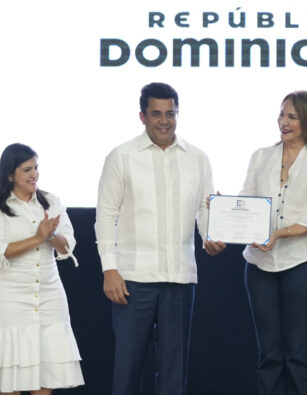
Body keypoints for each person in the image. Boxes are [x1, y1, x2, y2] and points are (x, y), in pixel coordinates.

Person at [95, 82, 225, 395]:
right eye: (156, 114)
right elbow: (105, 217)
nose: (164, 120)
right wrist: (109, 269)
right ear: (142, 116)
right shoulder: (121, 156)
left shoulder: (197, 158)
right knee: (127, 369)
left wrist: (212, 235)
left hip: (179, 278)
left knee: (173, 374)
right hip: (132, 278)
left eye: (170, 113)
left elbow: (204, 209)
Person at [240, 91, 307, 395]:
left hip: (304, 264)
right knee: (269, 356)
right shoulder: (261, 156)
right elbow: (246, 201)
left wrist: (280, 233)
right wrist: (225, 212)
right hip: (260, 265)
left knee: (298, 356)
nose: (283, 122)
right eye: (282, 115)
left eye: (292, 117)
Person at [0, 143, 84, 394]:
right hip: (9, 296)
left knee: (45, 372)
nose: (34, 174)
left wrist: (51, 235)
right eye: (27, 169)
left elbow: (67, 247)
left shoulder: (51, 201)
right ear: (10, 174)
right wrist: (37, 238)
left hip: (49, 292)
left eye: (36, 168)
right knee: (9, 376)